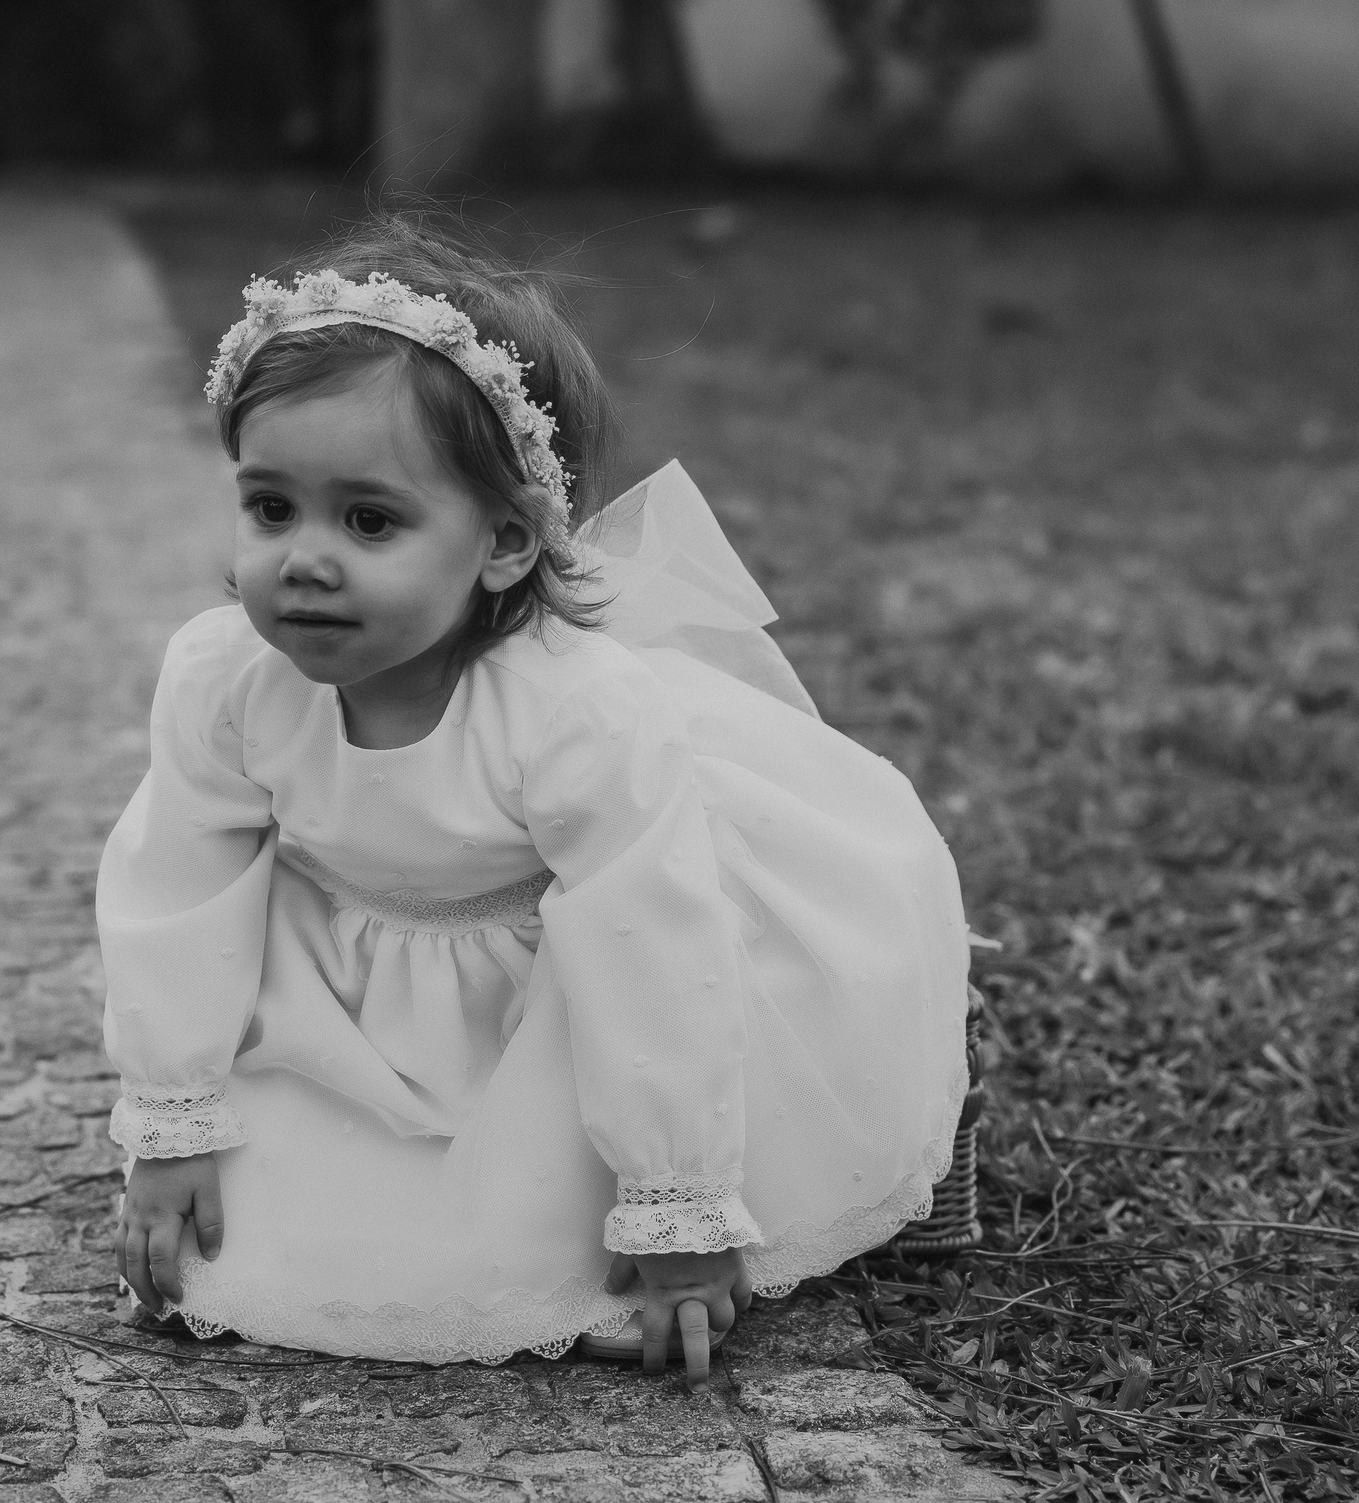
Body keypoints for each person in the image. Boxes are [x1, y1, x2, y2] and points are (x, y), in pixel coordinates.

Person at [100, 214, 970, 1377]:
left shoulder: (569, 713)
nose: (303, 558)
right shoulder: (227, 681)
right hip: (363, 987)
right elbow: (178, 891)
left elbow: (648, 943)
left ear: (504, 542)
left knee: (563, 1244)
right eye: (270, 507)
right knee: (261, 1244)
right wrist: (172, 1117)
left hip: (587, 980)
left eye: (368, 519)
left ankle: (921, 1055)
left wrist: (673, 1204)